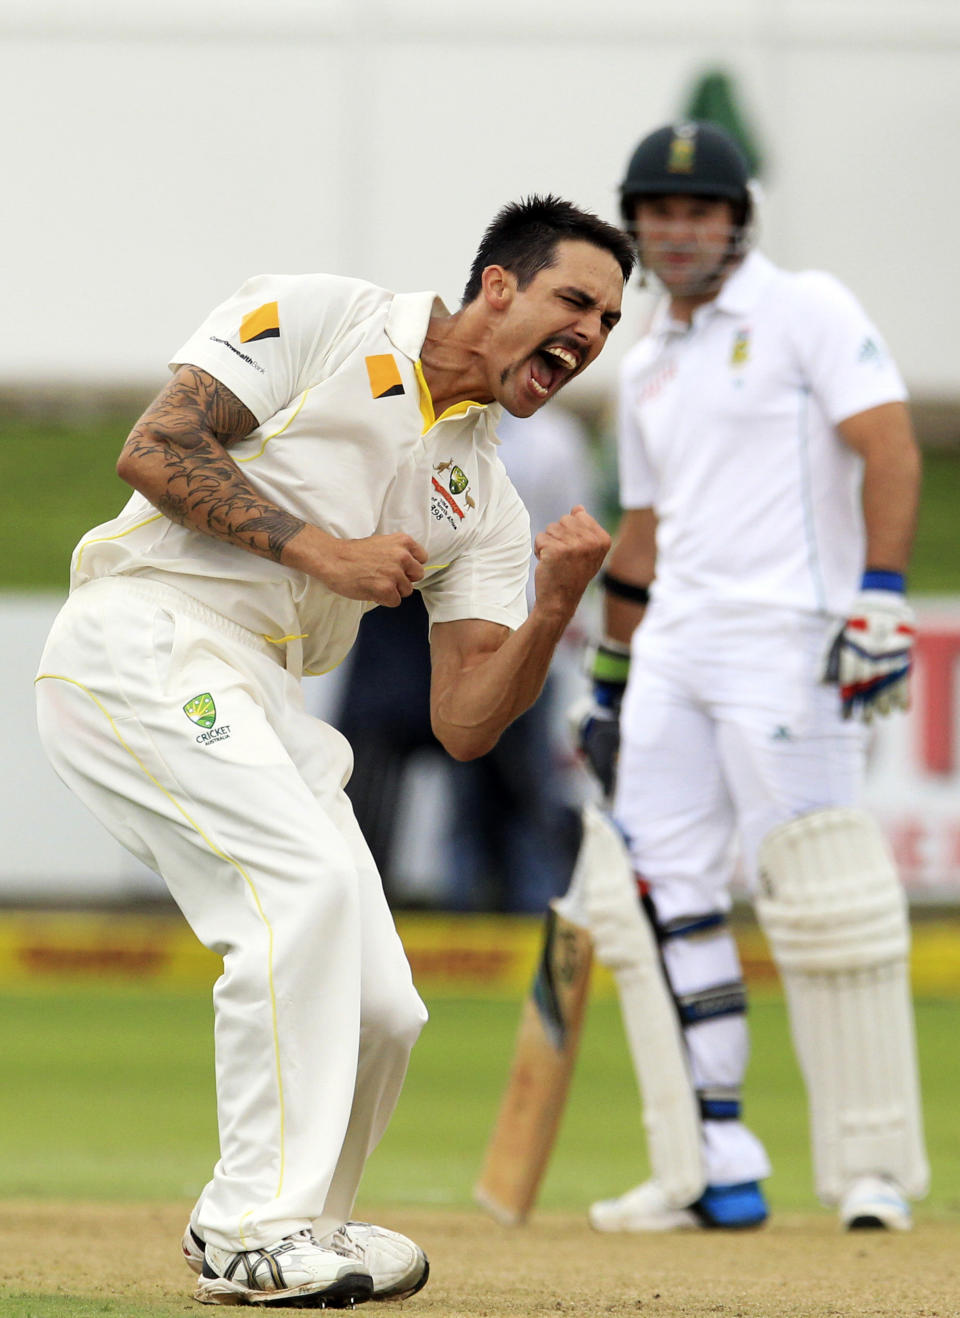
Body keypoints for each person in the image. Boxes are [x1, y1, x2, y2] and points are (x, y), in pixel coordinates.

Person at [35, 195, 634, 1308]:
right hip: (144, 632)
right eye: (575, 300)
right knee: (297, 889)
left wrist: (553, 607)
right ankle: (246, 1227)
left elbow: (463, 722)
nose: (592, 333)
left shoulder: (487, 499)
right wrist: (329, 553)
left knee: (382, 1003)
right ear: (498, 286)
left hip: (263, 691)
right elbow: (155, 446)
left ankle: (307, 1222)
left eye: (607, 320)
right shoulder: (323, 316)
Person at [576, 123, 928, 1233]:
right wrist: (608, 680)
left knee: (821, 891)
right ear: (636, 224)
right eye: (659, 211)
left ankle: (872, 1168)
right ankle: (710, 1161)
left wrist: (878, 595)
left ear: (737, 218)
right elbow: (644, 529)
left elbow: (891, 446)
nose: (678, 230)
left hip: (793, 636)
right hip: (677, 641)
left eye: (700, 210)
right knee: (663, 890)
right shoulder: (646, 362)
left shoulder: (806, 307)